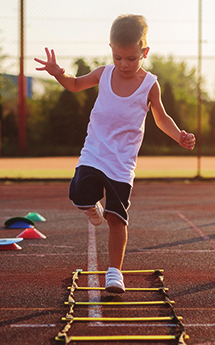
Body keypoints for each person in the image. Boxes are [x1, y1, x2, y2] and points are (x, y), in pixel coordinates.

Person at [35, 14, 196, 294]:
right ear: (111, 48)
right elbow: (74, 85)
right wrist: (58, 73)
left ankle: (114, 273)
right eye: (118, 57)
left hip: (122, 164)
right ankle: (91, 209)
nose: (124, 64)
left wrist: (179, 135)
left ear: (144, 52)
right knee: (78, 193)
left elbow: (161, 118)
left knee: (116, 219)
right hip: (94, 153)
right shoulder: (103, 73)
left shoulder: (150, 85)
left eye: (131, 58)